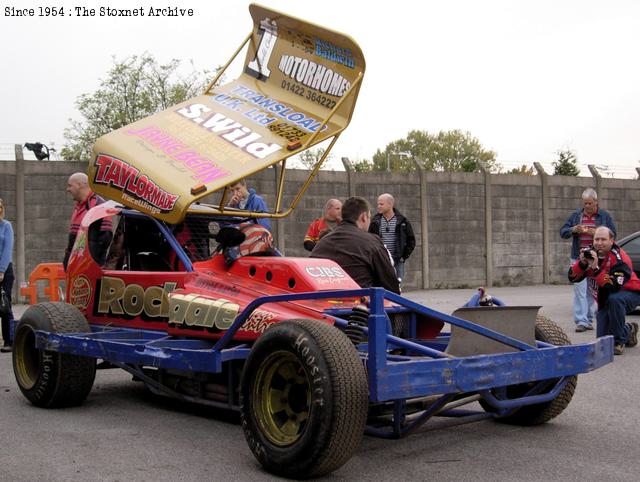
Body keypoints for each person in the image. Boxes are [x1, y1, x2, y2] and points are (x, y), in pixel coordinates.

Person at [568, 226, 639, 355]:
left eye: (603, 239)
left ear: (612, 241)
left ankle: (618, 342)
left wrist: (595, 269)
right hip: (605, 296)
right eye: (597, 239)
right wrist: (582, 263)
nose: (599, 243)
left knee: (615, 300)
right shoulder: (590, 253)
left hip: (631, 292)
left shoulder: (620, 258)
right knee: (602, 340)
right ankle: (628, 330)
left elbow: (614, 286)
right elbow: (572, 277)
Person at [311, 196, 400, 294]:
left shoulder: (322, 243)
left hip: (321, 304)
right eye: (369, 217)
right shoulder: (371, 242)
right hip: (360, 304)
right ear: (364, 216)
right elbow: (391, 285)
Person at [560, 188, 616, 332]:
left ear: (596, 202)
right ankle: (581, 321)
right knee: (579, 289)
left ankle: (589, 319)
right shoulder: (576, 215)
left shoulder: (604, 216)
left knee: (591, 290)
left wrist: (597, 232)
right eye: (585, 203)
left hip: (597, 257)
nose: (587, 206)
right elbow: (563, 232)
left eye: (590, 203)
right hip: (578, 257)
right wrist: (574, 229)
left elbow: (613, 233)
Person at [64, 172, 113, 270]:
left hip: (89, 270)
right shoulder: (78, 207)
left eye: (70, 186)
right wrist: (67, 262)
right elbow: (73, 241)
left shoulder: (99, 206)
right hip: (76, 268)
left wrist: (88, 265)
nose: (67, 189)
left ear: (79, 185)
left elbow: (104, 240)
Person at [368, 193, 415, 284]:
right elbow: (370, 239)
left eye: (381, 204)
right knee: (380, 285)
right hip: (381, 260)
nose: (378, 206)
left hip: (397, 260)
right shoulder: (375, 221)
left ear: (390, 204)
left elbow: (411, 240)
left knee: (397, 287)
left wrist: (403, 257)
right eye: (378, 204)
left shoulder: (402, 221)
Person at [0, 198, 14, 352]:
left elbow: (7, 250)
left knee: (4, 305)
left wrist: (2, 270)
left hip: (4, 271)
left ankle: (9, 341)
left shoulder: (6, 226)